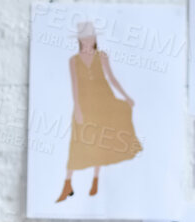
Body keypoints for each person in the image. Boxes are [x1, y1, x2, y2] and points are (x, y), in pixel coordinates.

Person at [57, 20, 141, 203]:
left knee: (99, 141)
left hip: (104, 102)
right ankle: (67, 183)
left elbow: (111, 78)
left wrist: (126, 96)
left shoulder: (102, 56)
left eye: (91, 38)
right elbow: (75, 86)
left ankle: (95, 180)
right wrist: (77, 108)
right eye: (84, 38)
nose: (88, 41)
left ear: (94, 38)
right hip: (85, 105)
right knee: (78, 141)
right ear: (79, 39)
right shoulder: (73, 61)